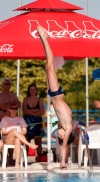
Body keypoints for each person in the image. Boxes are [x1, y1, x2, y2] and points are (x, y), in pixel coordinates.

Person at [37, 26, 72, 170]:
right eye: (61, 136)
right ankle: (45, 39)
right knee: (50, 66)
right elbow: (64, 147)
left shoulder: (62, 125)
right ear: (66, 135)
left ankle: (44, 40)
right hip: (57, 95)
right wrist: (62, 163)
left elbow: (58, 123)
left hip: (55, 96)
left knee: (48, 67)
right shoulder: (68, 126)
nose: (59, 134)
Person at [0, 103, 38, 168]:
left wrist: (18, 134)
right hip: (8, 137)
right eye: (12, 108)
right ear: (9, 109)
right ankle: (29, 144)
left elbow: (24, 130)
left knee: (17, 140)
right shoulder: (4, 119)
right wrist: (8, 131)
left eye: (16, 108)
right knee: (14, 132)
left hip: (19, 138)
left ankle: (17, 163)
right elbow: (3, 131)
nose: (14, 110)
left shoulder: (20, 119)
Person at [0, 77, 21, 165]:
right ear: (2, 85)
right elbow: (4, 107)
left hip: (11, 120)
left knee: (11, 137)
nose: (7, 85)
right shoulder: (0, 96)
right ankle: (2, 158)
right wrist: (11, 105)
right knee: (1, 140)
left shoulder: (13, 95)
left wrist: (9, 106)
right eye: (6, 84)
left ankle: (10, 158)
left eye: (9, 84)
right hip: (1, 119)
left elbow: (19, 104)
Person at [22, 84, 44, 156]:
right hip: (27, 121)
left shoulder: (40, 99)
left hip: (38, 122)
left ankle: (40, 158)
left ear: (36, 90)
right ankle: (25, 159)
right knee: (27, 140)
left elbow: (41, 112)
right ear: (28, 90)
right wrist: (36, 111)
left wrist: (30, 112)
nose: (33, 91)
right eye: (31, 89)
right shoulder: (25, 99)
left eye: (34, 89)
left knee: (38, 141)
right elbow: (25, 111)